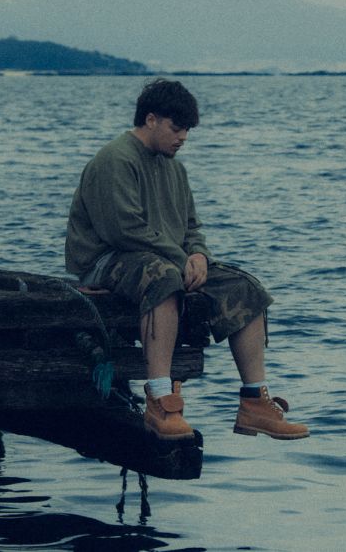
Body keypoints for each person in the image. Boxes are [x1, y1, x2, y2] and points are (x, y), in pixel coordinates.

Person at [66, 78, 309, 441]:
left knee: (244, 287)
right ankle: (160, 399)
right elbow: (122, 229)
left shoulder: (175, 168)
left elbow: (191, 226)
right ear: (151, 120)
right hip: (105, 260)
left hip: (166, 257)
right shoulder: (114, 159)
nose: (183, 138)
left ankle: (254, 402)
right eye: (176, 128)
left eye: (187, 131)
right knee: (164, 279)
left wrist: (198, 255)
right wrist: (181, 259)